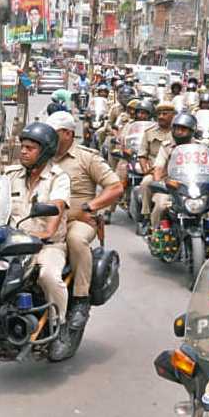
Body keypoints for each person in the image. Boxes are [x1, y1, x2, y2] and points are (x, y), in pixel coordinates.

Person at [46, 111, 122, 350]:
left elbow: (115, 187)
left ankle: (80, 299)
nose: (48, 138)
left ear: (68, 134)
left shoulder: (86, 157)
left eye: (54, 134)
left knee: (76, 240)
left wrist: (92, 206)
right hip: (44, 218)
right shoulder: (41, 155)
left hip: (78, 219)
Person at [3, 123, 71, 355]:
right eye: (22, 147)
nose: (23, 151)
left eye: (30, 148)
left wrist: (45, 232)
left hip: (46, 246)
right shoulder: (10, 175)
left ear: (44, 151)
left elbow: (57, 209)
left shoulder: (58, 178)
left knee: (49, 276)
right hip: (12, 244)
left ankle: (60, 326)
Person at [147, 111, 196, 230]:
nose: (179, 132)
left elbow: (208, 168)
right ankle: (155, 232)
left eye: (183, 129)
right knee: (161, 205)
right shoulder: (166, 146)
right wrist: (158, 184)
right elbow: (158, 167)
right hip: (170, 187)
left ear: (191, 131)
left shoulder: (199, 147)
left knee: (202, 209)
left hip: (192, 188)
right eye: (177, 129)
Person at [137, 101, 174, 222]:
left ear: (173, 115)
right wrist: (146, 171)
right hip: (154, 172)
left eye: (165, 114)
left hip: (175, 173)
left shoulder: (179, 132)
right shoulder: (149, 132)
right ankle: (145, 215)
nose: (161, 117)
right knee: (146, 183)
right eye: (159, 114)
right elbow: (142, 154)